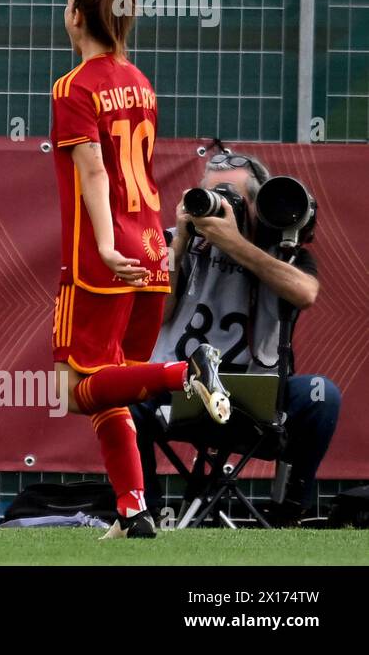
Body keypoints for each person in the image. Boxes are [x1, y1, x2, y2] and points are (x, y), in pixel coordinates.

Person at [48, 0, 230, 540]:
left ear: (77, 14)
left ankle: (186, 370)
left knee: (72, 391)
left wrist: (102, 244)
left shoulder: (73, 86)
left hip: (103, 256)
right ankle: (134, 511)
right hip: (152, 247)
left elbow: (95, 169)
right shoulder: (141, 82)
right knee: (116, 383)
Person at [133, 147, 339, 525]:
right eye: (211, 195)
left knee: (321, 394)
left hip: (251, 392)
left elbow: (305, 293)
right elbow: (153, 315)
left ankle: (288, 510)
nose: (220, 207)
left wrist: (236, 245)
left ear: (257, 205)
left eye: (231, 197)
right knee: (122, 391)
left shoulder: (282, 251)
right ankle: (141, 512)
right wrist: (178, 243)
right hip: (176, 382)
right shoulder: (169, 244)